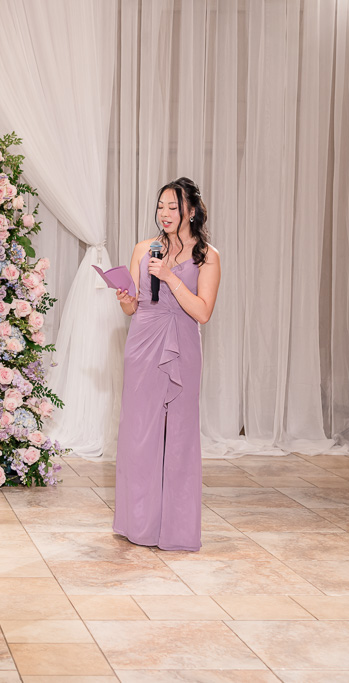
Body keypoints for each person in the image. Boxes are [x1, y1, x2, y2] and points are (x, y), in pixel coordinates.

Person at [112, 177, 221, 552]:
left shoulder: (207, 256)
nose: (165, 213)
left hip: (182, 347)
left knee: (178, 438)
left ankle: (175, 529)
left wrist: (171, 277)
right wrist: (125, 296)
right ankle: (138, 524)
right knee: (139, 434)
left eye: (173, 207)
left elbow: (202, 312)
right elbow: (133, 305)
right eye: (161, 206)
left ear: (190, 210)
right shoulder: (145, 248)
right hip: (142, 343)